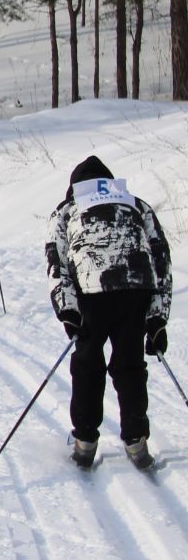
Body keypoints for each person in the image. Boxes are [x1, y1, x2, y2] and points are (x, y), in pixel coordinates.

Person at [47, 157, 173, 470]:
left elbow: (56, 261)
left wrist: (68, 310)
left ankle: (85, 440)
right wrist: (157, 317)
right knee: (129, 365)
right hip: (136, 287)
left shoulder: (67, 208)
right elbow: (160, 255)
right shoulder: (136, 204)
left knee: (88, 363)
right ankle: (135, 440)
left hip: (92, 290)